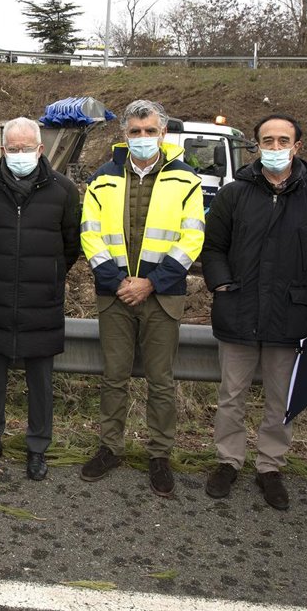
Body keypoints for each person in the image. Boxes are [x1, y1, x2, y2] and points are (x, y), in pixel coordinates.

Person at [201, 114, 307, 509]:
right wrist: (222, 285)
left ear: (297, 146)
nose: (276, 147)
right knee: (231, 394)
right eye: (268, 140)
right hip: (239, 309)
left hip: (292, 315)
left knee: (280, 399)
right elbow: (213, 248)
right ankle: (228, 460)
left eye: (283, 141)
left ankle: (270, 467)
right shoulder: (234, 193)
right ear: (257, 145)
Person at [79, 99, 204, 497]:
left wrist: (151, 283)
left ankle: (159, 455)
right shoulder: (102, 178)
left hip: (162, 296)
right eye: (136, 131)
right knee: (114, 377)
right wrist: (117, 281)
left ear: (163, 133)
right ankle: (110, 448)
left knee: (161, 381)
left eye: (150, 131)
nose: (143, 137)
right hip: (114, 295)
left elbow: (192, 238)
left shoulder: (186, 179)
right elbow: (90, 234)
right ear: (125, 135)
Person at [0, 117, 81, 481]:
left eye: (26, 148)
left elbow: (71, 245)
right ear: (3, 150)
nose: (20, 154)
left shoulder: (63, 190)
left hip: (41, 300)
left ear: (40, 149)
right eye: (13, 149)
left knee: (40, 383)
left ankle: (37, 447)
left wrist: (50, 274)